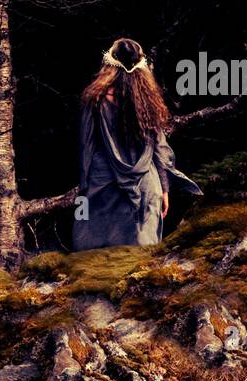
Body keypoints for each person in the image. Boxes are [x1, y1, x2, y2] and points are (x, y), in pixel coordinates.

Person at [72, 37, 201, 251]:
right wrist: (164, 189)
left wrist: (84, 190)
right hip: (146, 184)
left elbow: (86, 146)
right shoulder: (149, 101)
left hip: (103, 182)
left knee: (93, 247)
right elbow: (160, 149)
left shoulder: (95, 99)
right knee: (141, 252)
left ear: (109, 63)